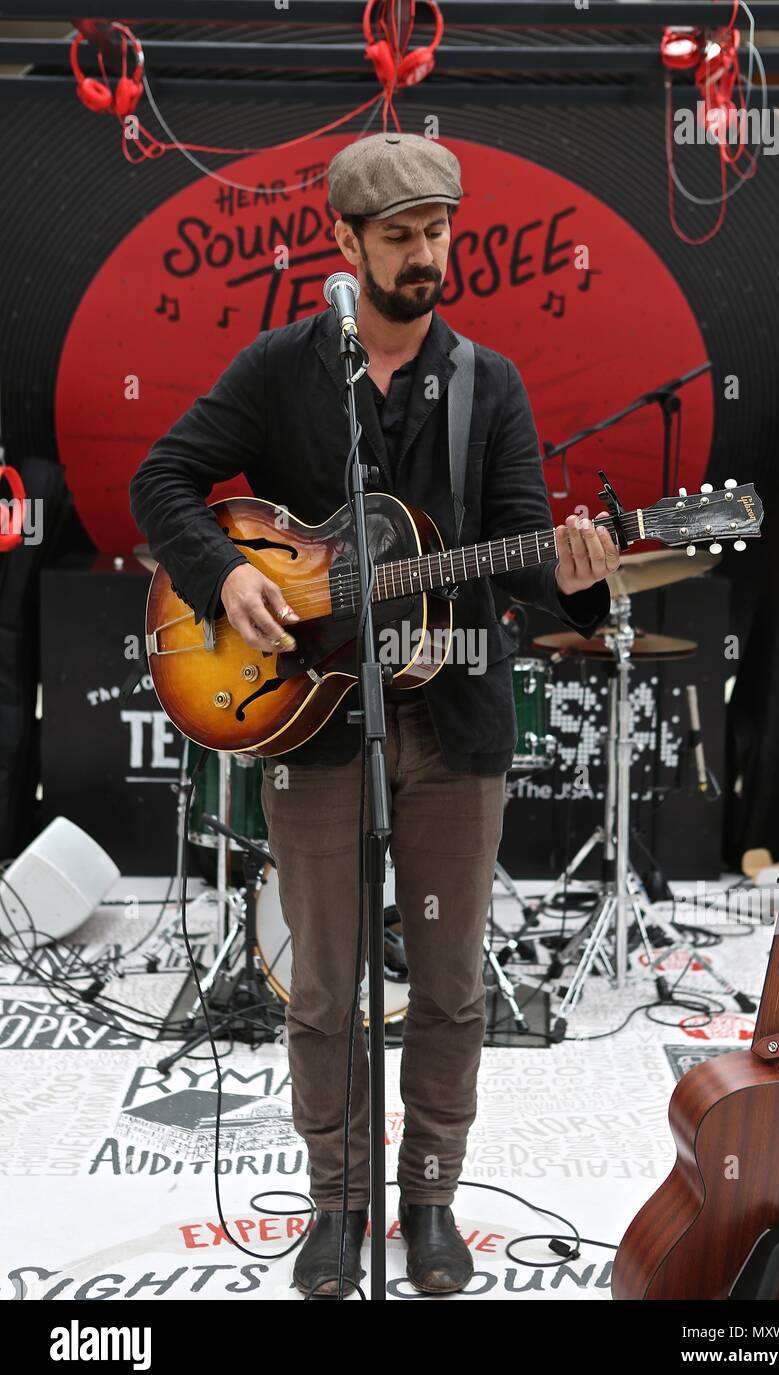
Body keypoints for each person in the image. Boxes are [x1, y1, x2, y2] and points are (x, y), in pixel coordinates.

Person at [130, 131, 621, 1298]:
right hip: (309, 716)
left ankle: (433, 1198)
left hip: (451, 718)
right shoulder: (282, 367)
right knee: (326, 977)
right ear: (342, 243)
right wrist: (224, 575)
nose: (423, 256)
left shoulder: (485, 385)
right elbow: (163, 477)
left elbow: (515, 553)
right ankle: (337, 1205)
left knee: (449, 980)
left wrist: (579, 569)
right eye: (397, 237)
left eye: (436, 233)